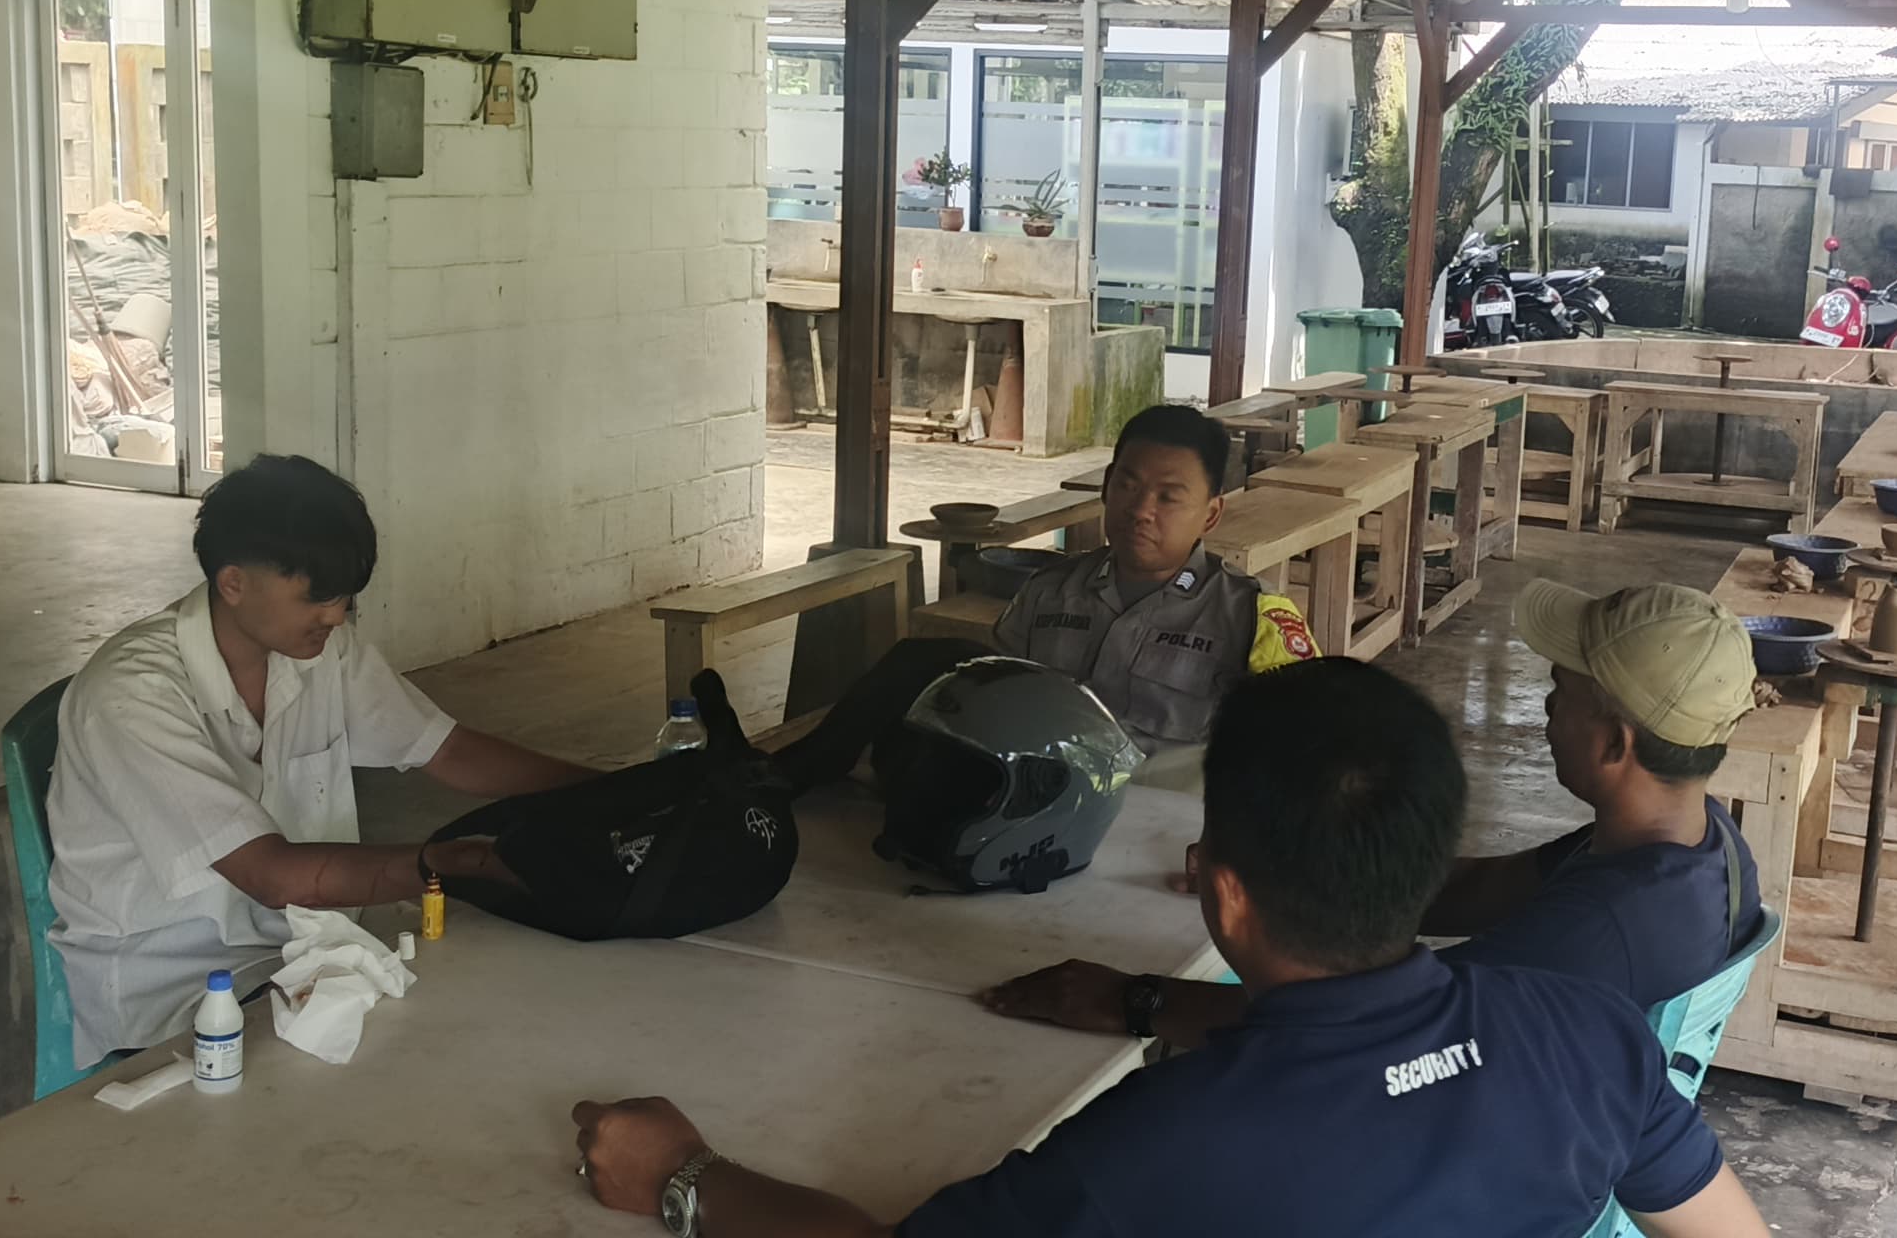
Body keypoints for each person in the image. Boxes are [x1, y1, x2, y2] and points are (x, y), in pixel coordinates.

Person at [569, 660, 1772, 1238]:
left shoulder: (1153, 1151)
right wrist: (1147, 1005)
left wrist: (686, 1176)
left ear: (1225, 897)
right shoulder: (1589, 1038)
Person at [979, 579, 1765, 1043]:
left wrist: (1135, 1001)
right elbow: (1482, 889)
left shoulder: (1599, 933)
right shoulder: (1694, 847)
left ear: (1615, 743)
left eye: (1559, 692)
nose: (1545, 709)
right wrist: (1303, 870)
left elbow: (1371, 1032)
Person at [43, 454, 597, 1067]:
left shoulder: (320, 652)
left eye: (344, 598)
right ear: (234, 584)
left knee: (493, 1013)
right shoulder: (131, 693)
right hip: (172, 991)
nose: (335, 616)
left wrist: (621, 794)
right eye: (317, 597)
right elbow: (272, 876)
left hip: (303, 953)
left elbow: (448, 750)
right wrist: (452, 863)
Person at [780, 404, 1310, 787]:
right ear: (1107, 485)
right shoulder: (1049, 591)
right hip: (1033, 810)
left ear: (1211, 515)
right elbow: (992, 709)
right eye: (1127, 486)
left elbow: (1301, 759)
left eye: (1169, 497)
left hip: (1162, 839)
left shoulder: (1252, 618)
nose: (1140, 510)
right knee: (922, 668)